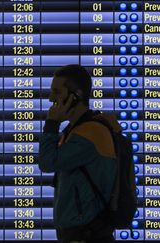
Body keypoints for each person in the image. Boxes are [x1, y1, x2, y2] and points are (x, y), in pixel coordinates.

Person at [39, 64, 121, 243]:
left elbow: (47, 162)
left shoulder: (89, 133)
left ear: (77, 95)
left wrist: (51, 123)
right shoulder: (77, 130)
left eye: (57, 92)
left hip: (86, 235)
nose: (51, 99)